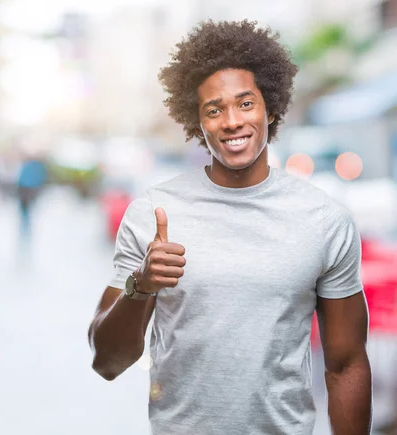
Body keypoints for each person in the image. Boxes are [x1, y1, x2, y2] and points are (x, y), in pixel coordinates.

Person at [88, 20, 372, 434]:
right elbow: (106, 362)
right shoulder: (152, 213)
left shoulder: (325, 220)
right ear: (197, 122)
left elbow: (346, 365)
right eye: (214, 109)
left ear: (270, 107)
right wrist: (142, 284)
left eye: (245, 103)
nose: (232, 121)